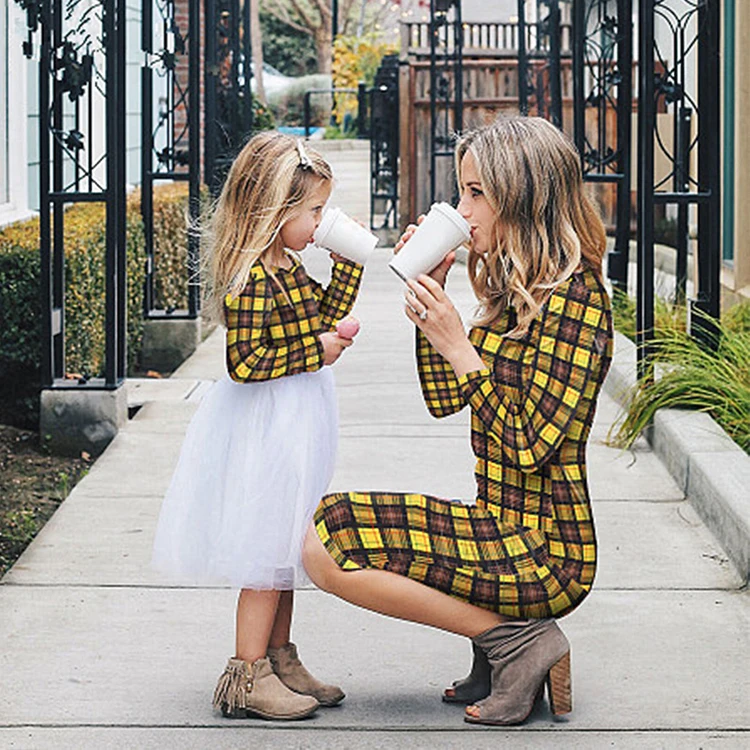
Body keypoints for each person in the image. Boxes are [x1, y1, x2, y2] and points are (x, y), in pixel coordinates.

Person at [302, 116, 614, 726]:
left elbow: (529, 446)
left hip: (546, 550)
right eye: (462, 191)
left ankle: (520, 643)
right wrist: (433, 311)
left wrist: (461, 348)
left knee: (327, 550)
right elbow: (446, 399)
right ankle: (500, 641)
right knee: (324, 524)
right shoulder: (513, 290)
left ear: (522, 198)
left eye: (476, 193)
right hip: (497, 523)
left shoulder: (578, 302)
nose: (461, 209)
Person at [151, 132, 364, 720]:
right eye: (315, 211)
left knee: (286, 547)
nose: (322, 222)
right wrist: (315, 353)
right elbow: (244, 365)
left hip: (296, 420)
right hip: (269, 425)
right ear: (275, 211)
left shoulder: (288, 264)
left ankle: (280, 658)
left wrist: (347, 266)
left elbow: (322, 314)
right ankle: (246, 676)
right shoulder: (252, 279)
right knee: (264, 549)